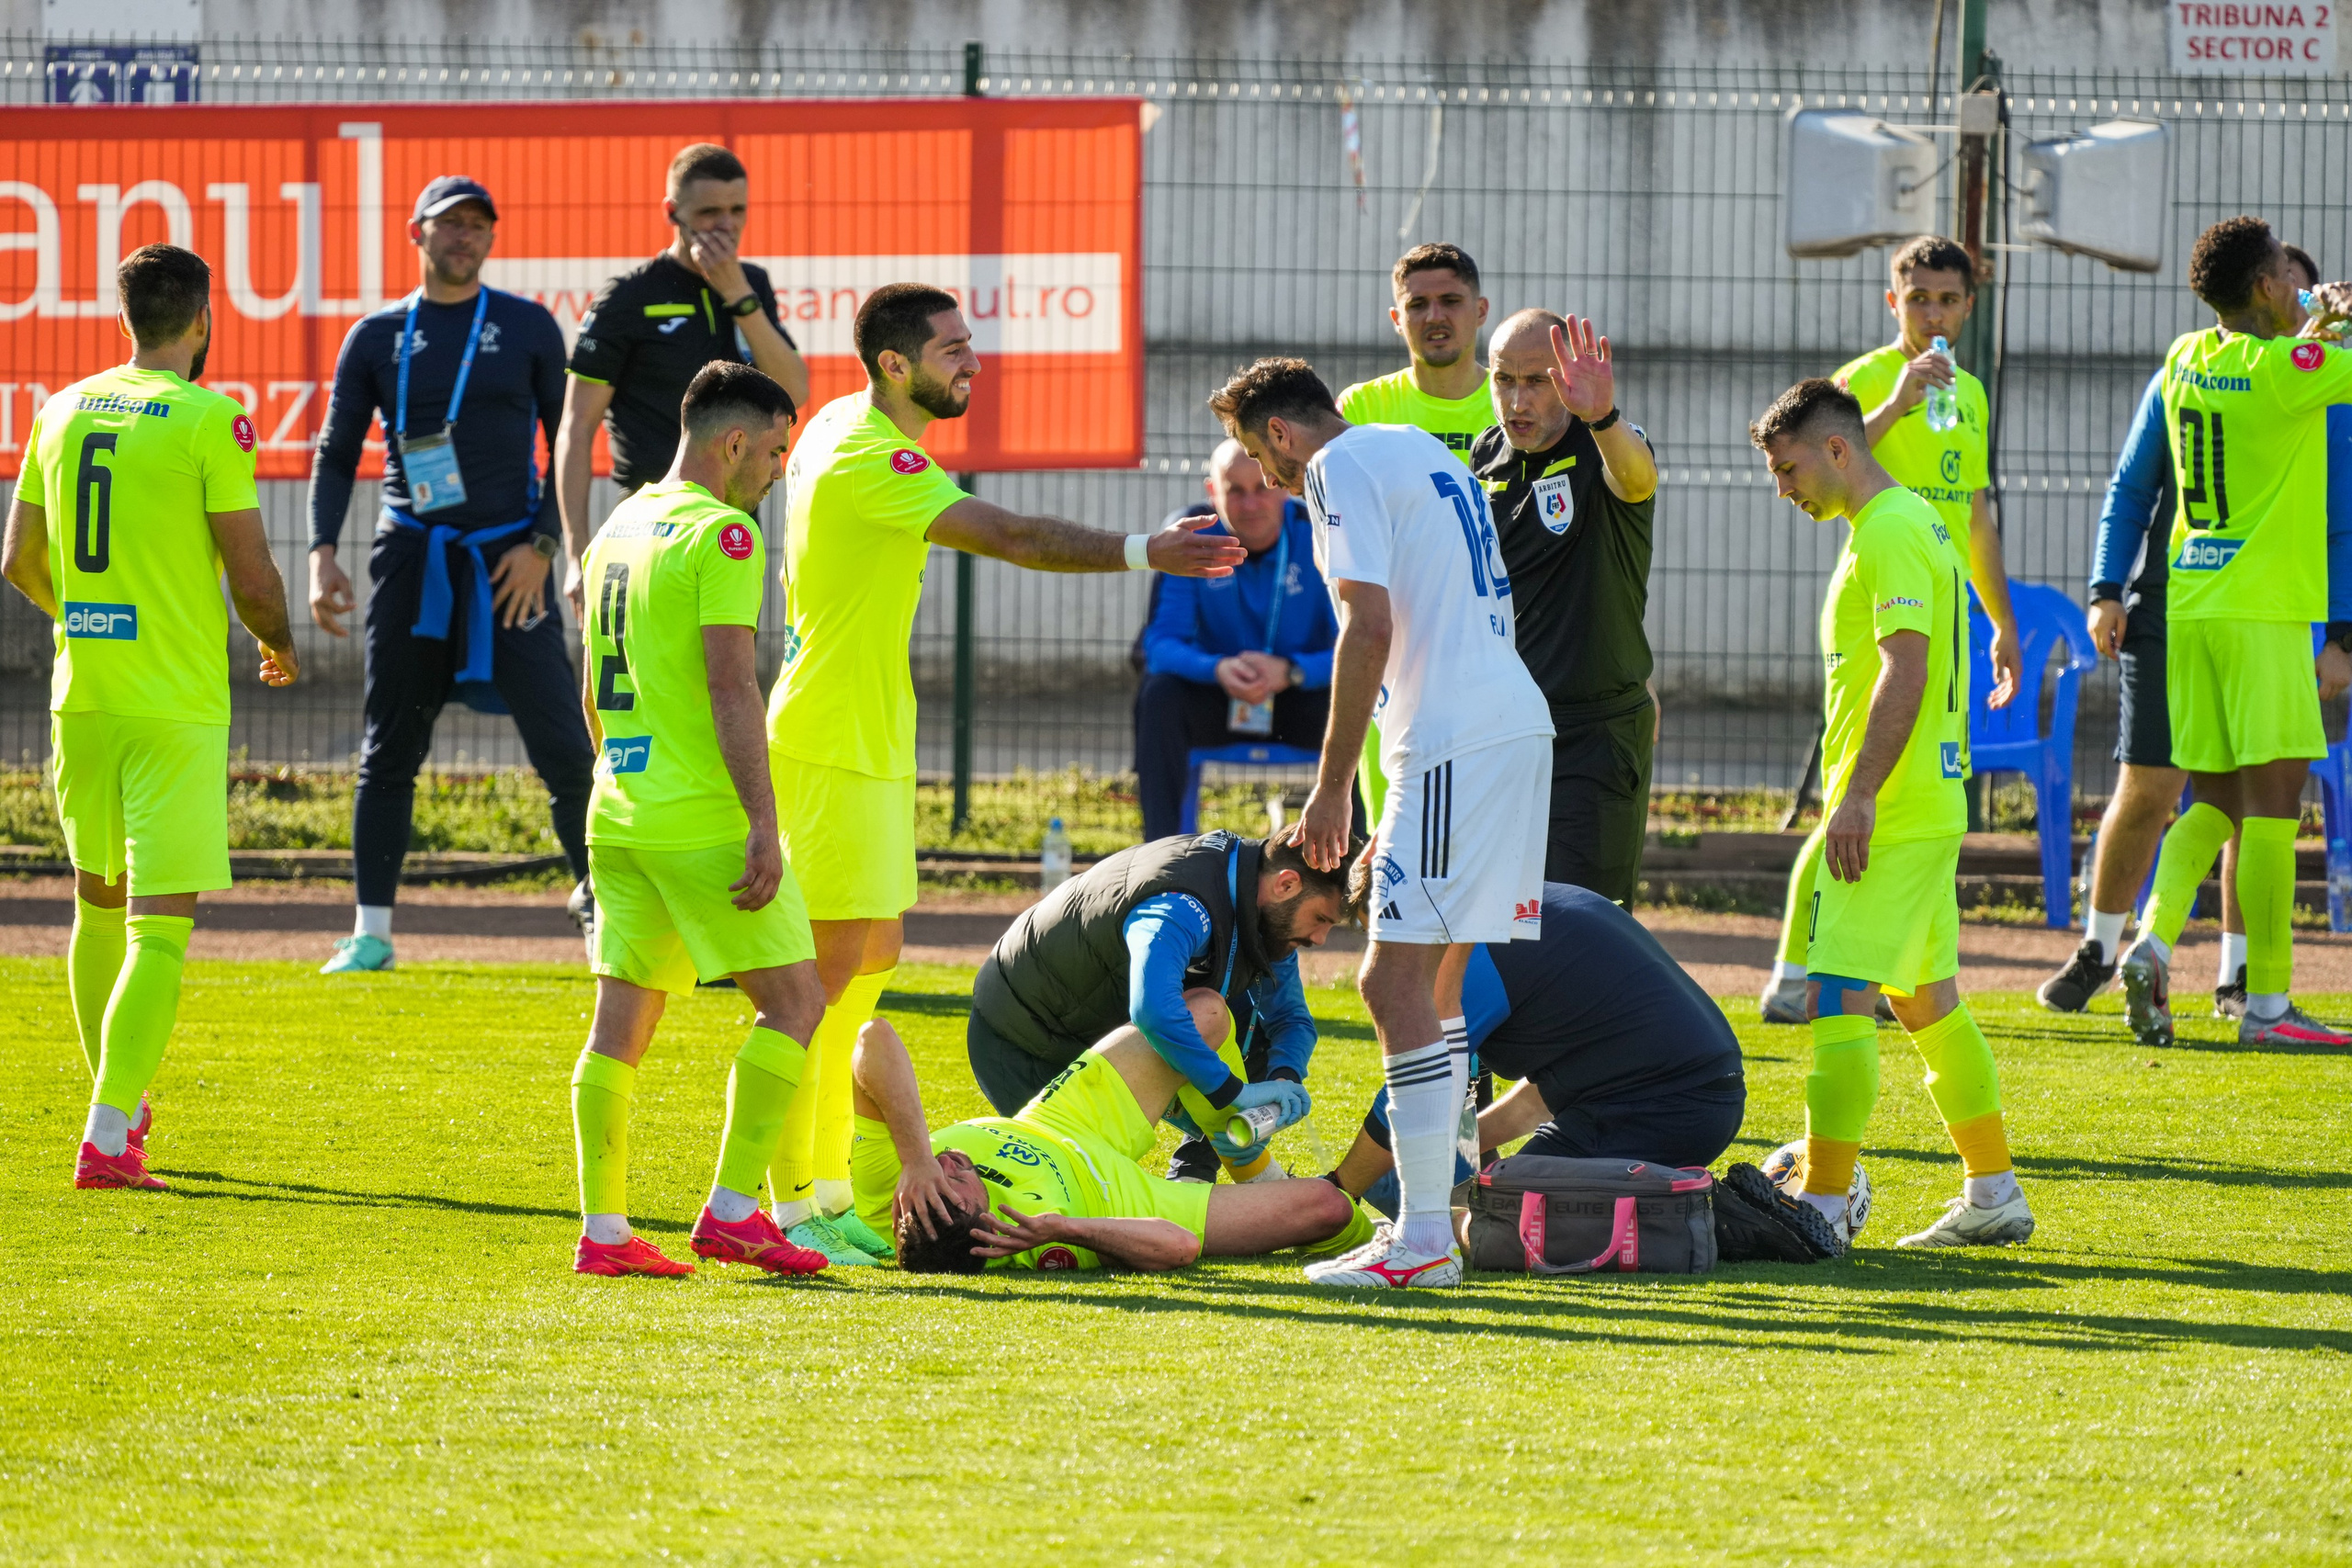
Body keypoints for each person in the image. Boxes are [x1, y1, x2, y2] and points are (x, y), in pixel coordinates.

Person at [759, 283, 1245, 1267]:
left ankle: (827, 1196)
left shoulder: (840, 422)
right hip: (828, 742)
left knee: (867, 971)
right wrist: (1144, 550)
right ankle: (787, 1209)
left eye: (969, 343)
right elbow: (1013, 536)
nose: (971, 361)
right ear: (894, 365)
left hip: (865, 739)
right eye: (951, 348)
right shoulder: (868, 450)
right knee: (819, 987)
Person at [1212, 356, 1555, 1291]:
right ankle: (1432, 1226)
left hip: (1453, 738)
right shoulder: (1413, 448)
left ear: (1280, 435)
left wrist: (1331, 791)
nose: (1271, 482)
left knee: (1388, 980)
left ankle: (1420, 1243)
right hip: (1507, 727)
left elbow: (1367, 625)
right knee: (1438, 987)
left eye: (1257, 457)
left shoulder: (1334, 470)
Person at [0, 243, 299, 1190]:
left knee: (94, 900)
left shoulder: (60, 408)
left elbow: (17, 559)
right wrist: (279, 642)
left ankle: (114, 1104)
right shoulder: (211, 419)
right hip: (171, 704)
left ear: (124, 317)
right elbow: (253, 576)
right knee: (159, 924)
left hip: (81, 695)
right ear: (203, 321)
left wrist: (87, 618)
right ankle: (106, 1133)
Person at [1747, 378, 2033, 1251]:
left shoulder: (1893, 529)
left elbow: (1904, 668)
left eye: (1788, 467)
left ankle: (1825, 1202)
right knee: (1927, 1003)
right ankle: (1994, 1191)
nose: (1783, 487)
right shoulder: (1899, 523)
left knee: (1837, 995)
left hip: (1894, 808)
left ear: (1835, 449)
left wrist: (1860, 793)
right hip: (1922, 803)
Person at [565, 361, 832, 1280]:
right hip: (698, 820)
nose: (775, 471)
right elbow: (731, 683)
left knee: (620, 1028)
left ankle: (603, 1233)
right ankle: (729, 1213)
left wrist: (612, 773)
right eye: (772, 451)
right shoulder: (722, 536)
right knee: (796, 1003)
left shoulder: (620, 523)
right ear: (732, 444)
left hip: (620, 810)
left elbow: (590, 687)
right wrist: (763, 824)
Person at [2041, 243, 2348, 1017]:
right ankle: (2270, 1009)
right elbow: (2310, 366)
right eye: (2286, 273)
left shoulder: (2184, 358)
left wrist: (2319, 324)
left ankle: (2148, 943)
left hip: (2190, 608)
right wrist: (2338, 317)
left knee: (2210, 803)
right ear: (2265, 286)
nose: (2295, 285)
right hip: (2262, 612)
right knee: (2276, 806)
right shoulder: (2286, 373)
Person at [307, 175, 594, 974]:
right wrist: (320, 551)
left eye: (478, 225)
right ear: (416, 233)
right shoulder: (376, 336)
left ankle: (604, 906)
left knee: (568, 751)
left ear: (491, 239)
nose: (465, 237)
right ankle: (371, 934)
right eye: (449, 224)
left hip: (512, 567)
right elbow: (335, 452)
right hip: (414, 562)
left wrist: (544, 546)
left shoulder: (528, 326)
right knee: (388, 749)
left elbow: (565, 444)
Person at [1760, 236, 2023, 1024]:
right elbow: (1826, 456)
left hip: (1942, 604)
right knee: (1855, 792)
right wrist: (1898, 401)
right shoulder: (1864, 380)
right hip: (1882, 597)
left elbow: (1975, 513)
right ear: (1893, 302)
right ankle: (1796, 968)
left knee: (1918, 797)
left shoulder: (1972, 394)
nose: (1933, 314)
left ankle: (1891, 966)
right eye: (1919, 300)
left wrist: (2002, 620)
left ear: (1968, 306)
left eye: (1948, 300)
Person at [968, 828, 1354, 1184]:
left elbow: (1289, 1019)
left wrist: (1284, 1077)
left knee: (1252, 1026)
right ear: (1286, 885)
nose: (1320, 938)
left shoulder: (1262, 908)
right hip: (1022, 1047)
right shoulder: (1184, 903)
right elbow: (1153, 1009)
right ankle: (1257, 1184)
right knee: (1085, 1187)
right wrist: (1234, 1093)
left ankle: (1197, 1174)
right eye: (1321, 918)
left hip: (1089, 1030)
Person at [1331, 879, 1747, 1193]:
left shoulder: (1474, 956)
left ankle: (1708, 1216)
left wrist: (1337, 1190)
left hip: (1672, 1108)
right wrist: (1457, 1153)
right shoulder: (1513, 908)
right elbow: (1538, 1100)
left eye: (1389, 945)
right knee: (1487, 1193)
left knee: (1498, 1208)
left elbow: (1413, 1085)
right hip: (1678, 1099)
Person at [849, 1019, 1360, 1273]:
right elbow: (1178, 1245)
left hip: (1061, 1118)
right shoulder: (1030, 1237)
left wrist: (915, 1161)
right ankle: (1384, 1236)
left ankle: (1242, 1153)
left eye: (939, 1170)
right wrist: (1068, 1227)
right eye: (958, 1179)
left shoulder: (888, 1190)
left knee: (1199, 1017)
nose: (949, 1160)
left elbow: (873, 1037)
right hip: (1123, 1200)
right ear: (987, 1231)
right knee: (1326, 1206)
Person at [556, 142, 810, 613]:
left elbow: (795, 392)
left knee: (726, 678)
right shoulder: (629, 297)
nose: (727, 225)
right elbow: (576, 426)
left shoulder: (751, 284)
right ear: (673, 212)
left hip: (735, 522)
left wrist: (739, 294)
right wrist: (575, 554)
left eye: (738, 210)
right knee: (648, 680)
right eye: (711, 212)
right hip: (650, 524)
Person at [1472, 310, 1660, 903]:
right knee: (1499, 919)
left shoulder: (1605, 444)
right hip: (1504, 728)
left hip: (1592, 734)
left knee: (1586, 921)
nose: (1517, 399)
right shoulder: (1486, 456)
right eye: (1504, 379)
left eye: (1538, 381)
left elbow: (1635, 480)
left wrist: (1600, 414)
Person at [1336, 243, 1495, 826]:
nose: (1435, 317)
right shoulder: (1362, 408)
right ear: (1396, 317)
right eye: (1418, 304)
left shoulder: (1518, 405)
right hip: (1398, 661)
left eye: (1450, 301)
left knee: (1486, 841)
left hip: (1501, 655)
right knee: (1396, 840)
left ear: (1479, 310)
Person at [1134, 439, 1339, 840]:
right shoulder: (1190, 536)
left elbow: (1356, 646)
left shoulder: (1319, 534)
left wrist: (1294, 671)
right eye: (1235, 491)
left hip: (1298, 697)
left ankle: (1352, 865)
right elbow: (1158, 644)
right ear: (1213, 493)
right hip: (1221, 694)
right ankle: (1162, 858)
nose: (1250, 504)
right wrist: (1217, 668)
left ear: (1283, 486)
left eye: (1261, 488)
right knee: (1159, 697)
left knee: (1358, 701)